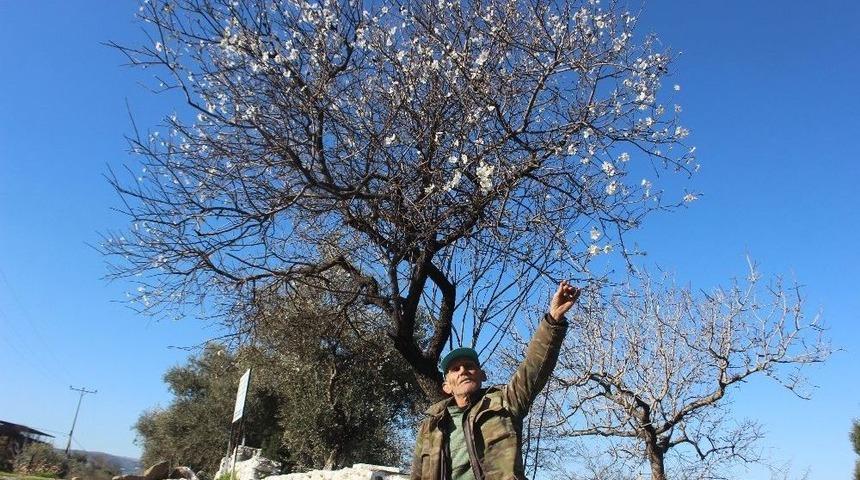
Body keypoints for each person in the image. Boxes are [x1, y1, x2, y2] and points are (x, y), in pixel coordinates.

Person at [410, 281, 581, 480]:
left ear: (482, 375)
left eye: (470, 366)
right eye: (455, 369)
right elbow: (417, 475)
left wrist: (553, 321)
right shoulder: (430, 424)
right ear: (446, 386)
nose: (464, 370)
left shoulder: (506, 402)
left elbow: (534, 366)